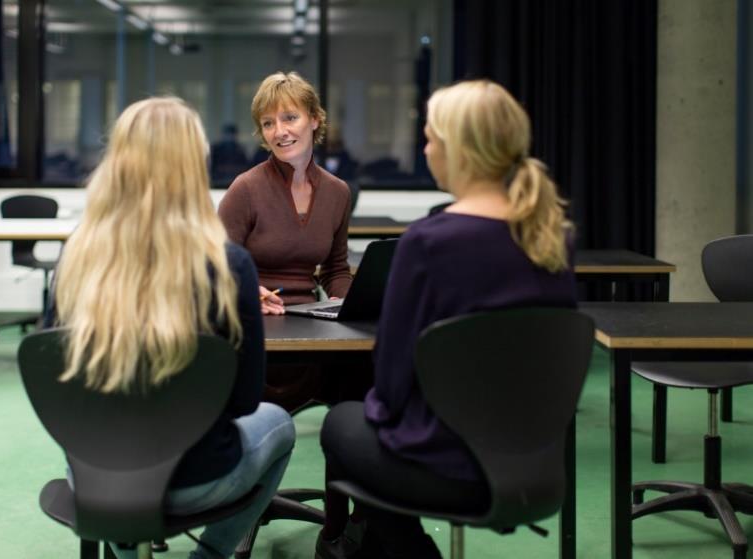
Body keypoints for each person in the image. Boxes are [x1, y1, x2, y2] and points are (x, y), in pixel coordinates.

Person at [317, 80, 578, 559]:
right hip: (535, 458)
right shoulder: (552, 237)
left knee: (342, 422)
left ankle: (401, 551)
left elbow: (391, 380)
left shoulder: (429, 243)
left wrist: (382, 417)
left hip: (446, 463)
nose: (425, 147)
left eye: (431, 137)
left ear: (460, 150)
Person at [42, 97, 295, 559]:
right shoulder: (228, 266)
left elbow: (54, 373)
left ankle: (125, 550)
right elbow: (244, 400)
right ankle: (212, 556)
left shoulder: (76, 258)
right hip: (200, 480)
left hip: (95, 478)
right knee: (279, 424)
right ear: (193, 169)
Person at [218, 71, 352, 315]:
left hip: (311, 317)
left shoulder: (337, 192)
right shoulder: (245, 188)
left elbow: (335, 269)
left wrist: (350, 302)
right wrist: (249, 292)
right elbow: (217, 267)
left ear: (314, 119)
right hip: (256, 315)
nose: (279, 131)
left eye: (290, 118)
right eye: (268, 123)